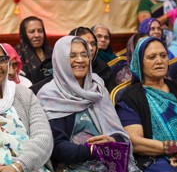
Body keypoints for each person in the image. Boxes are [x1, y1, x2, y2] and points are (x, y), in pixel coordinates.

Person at [37, 36, 140, 172]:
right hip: (72, 165)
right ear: (61, 59)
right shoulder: (50, 95)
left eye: (84, 55)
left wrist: (111, 141)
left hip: (109, 159)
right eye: (72, 55)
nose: (80, 60)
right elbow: (56, 146)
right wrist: (93, 150)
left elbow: (118, 132)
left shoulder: (97, 89)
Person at [116, 37, 177, 171]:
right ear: (139, 63)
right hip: (156, 158)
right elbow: (136, 142)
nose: (159, 61)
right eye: (151, 57)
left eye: (163, 55)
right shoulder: (130, 97)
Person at [0, 44, 53, 172]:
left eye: (1, 60)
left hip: (29, 167)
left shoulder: (23, 94)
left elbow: (43, 136)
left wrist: (18, 167)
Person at [69, 26, 117, 93]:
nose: (91, 48)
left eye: (93, 44)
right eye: (85, 43)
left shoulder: (102, 67)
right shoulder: (60, 70)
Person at [15, 16, 53, 84]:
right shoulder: (16, 54)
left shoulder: (52, 52)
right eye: (32, 32)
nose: (37, 35)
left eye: (40, 31)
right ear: (24, 34)